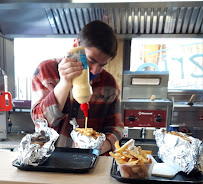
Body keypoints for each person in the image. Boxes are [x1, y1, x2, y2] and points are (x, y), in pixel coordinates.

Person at [31, 20, 124, 155]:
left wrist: (101, 146)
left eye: (102, 65)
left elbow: (116, 127)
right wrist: (64, 83)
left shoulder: (108, 83)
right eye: (91, 61)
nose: (94, 71)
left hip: (91, 163)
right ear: (76, 45)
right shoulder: (46, 72)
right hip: (50, 161)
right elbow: (41, 123)